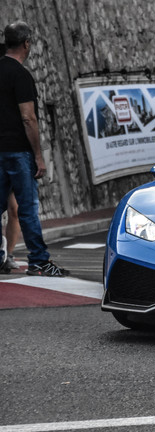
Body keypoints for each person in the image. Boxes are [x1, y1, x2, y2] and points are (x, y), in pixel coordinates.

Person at [0, 21, 68, 276]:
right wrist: (38, 156)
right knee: (27, 208)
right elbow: (28, 118)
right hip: (18, 151)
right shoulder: (21, 75)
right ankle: (39, 260)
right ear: (26, 43)